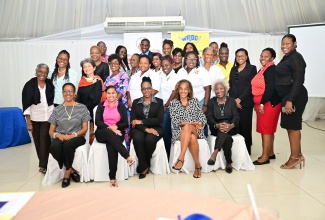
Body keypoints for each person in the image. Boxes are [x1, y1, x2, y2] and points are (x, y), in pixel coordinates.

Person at [48, 83, 91, 188]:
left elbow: (85, 128)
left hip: (77, 136)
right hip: (61, 136)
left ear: (74, 93)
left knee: (68, 145)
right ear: (62, 93)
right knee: (54, 147)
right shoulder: (57, 109)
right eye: (66, 91)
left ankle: (66, 174)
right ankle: (71, 170)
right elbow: (51, 131)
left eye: (71, 91)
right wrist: (58, 136)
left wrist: (73, 135)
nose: (68, 93)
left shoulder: (82, 107)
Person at [275, 34, 308, 169]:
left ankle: (295, 157)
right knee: (291, 126)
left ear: (295, 44)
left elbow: (299, 80)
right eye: (283, 43)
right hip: (288, 97)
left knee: (293, 127)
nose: (284, 46)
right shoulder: (287, 58)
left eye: (288, 43)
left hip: (294, 96)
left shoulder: (296, 58)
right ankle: (298, 154)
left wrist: (290, 100)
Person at [95, 86, 135, 187]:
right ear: (106, 94)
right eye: (109, 93)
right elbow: (98, 122)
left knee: (111, 146)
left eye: (113, 93)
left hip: (118, 132)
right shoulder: (101, 106)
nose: (111, 95)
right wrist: (111, 128)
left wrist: (116, 127)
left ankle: (112, 178)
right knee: (109, 134)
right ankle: (127, 155)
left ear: (116, 94)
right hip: (102, 132)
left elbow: (125, 123)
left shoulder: (121, 106)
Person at [169, 79, 206, 178]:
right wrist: (191, 123)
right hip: (179, 132)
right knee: (191, 135)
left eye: (186, 89)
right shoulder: (173, 103)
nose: (183, 91)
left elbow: (202, 117)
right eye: (180, 89)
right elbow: (176, 121)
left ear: (189, 90)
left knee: (188, 126)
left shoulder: (195, 101)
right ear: (178, 90)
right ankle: (197, 166)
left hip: (196, 130)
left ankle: (181, 158)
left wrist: (200, 123)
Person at [22, 63, 54, 174]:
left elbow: (52, 102)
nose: (42, 74)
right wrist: (29, 122)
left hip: (47, 117)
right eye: (40, 71)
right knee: (37, 141)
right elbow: (26, 104)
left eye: (45, 72)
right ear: (36, 71)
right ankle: (43, 163)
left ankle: (43, 165)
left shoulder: (49, 84)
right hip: (35, 117)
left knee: (44, 139)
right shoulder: (29, 85)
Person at [251, 48, 281, 165]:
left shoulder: (271, 69)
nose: (263, 58)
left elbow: (270, 88)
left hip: (268, 104)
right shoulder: (264, 68)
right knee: (268, 129)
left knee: (266, 130)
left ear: (272, 58)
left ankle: (264, 157)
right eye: (261, 56)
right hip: (264, 103)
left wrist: (262, 103)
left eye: (266, 56)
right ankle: (270, 152)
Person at [131, 77, 164, 179]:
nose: (146, 91)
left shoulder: (159, 102)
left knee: (149, 140)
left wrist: (141, 121)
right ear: (141, 90)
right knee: (138, 139)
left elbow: (159, 120)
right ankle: (145, 165)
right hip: (140, 129)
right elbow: (133, 121)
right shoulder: (136, 102)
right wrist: (146, 129)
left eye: (148, 88)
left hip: (155, 128)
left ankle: (143, 166)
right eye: (144, 89)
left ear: (152, 89)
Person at [206, 80, 239, 174]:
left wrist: (231, 125)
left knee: (225, 130)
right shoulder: (212, 101)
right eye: (216, 89)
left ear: (225, 89)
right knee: (226, 136)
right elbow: (209, 117)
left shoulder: (232, 101)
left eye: (221, 88)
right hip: (216, 127)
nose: (218, 91)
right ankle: (229, 162)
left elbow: (236, 116)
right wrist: (216, 125)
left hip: (231, 127)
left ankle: (215, 152)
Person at [229, 48, 257, 154]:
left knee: (245, 127)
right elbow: (230, 86)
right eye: (237, 56)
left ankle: (247, 152)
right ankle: (237, 152)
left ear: (246, 57)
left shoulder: (252, 68)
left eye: (242, 56)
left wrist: (240, 99)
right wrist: (235, 100)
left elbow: (251, 86)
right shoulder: (233, 69)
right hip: (234, 104)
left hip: (246, 103)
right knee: (236, 127)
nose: (239, 58)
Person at [104, 54, 131, 148]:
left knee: (124, 129)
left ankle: (126, 151)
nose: (113, 64)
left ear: (120, 64)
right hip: (110, 108)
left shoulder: (124, 75)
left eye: (116, 63)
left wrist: (114, 102)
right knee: (113, 127)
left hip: (121, 106)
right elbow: (105, 92)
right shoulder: (108, 78)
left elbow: (123, 90)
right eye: (111, 63)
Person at [78, 58, 106, 144]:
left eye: (89, 66)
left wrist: (86, 109)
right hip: (82, 111)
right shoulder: (81, 81)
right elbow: (79, 97)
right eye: (84, 67)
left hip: (93, 112)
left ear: (94, 68)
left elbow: (96, 99)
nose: (87, 68)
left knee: (92, 136)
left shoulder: (97, 80)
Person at [159, 55, 179, 159]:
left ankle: (168, 155)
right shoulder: (163, 75)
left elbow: (174, 92)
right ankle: (166, 154)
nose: (164, 67)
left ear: (172, 65)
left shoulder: (175, 76)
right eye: (162, 66)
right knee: (164, 130)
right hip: (163, 107)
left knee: (165, 131)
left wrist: (166, 104)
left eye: (167, 65)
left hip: (169, 107)